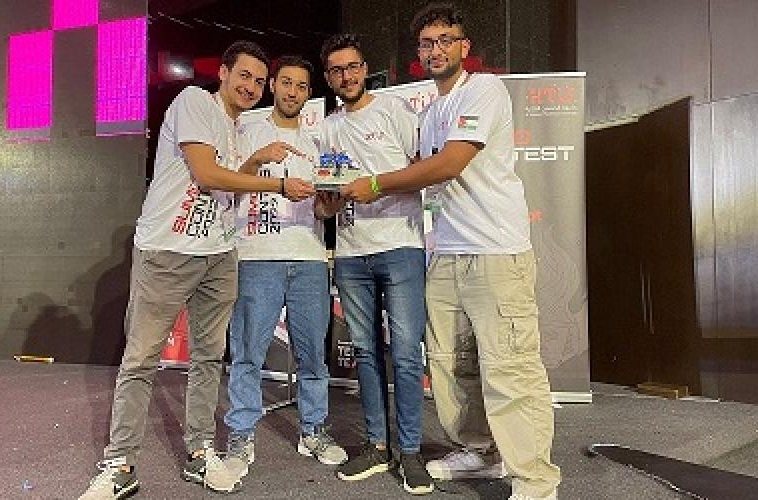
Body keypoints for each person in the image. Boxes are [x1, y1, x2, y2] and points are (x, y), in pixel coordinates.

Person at [340, 4, 562, 500]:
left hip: (495, 250)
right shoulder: (430, 113)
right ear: (418, 53)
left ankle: (535, 482)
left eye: (445, 40)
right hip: (446, 251)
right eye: (427, 43)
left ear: (464, 46)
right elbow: (417, 169)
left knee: (510, 369)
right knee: (450, 365)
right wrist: (339, 185)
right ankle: (480, 452)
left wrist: (372, 183)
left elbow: (449, 164)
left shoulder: (483, 90)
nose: (436, 50)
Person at [78, 41, 315, 500]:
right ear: (223, 73)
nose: (251, 87)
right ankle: (119, 464)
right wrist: (278, 183)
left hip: (219, 254)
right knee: (141, 359)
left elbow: (228, 187)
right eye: (243, 75)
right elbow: (207, 176)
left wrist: (254, 162)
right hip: (168, 250)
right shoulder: (194, 102)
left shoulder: (236, 128)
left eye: (259, 81)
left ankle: (200, 451)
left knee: (209, 359)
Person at [316, 34, 433, 496]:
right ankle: (377, 445)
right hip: (350, 252)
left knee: (405, 354)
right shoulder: (326, 129)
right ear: (328, 78)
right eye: (336, 70)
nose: (346, 76)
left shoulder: (395, 111)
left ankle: (411, 451)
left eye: (353, 67)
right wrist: (327, 203)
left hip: (401, 246)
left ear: (365, 69)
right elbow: (324, 205)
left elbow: (423, 171)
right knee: (365, 352)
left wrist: (376, 185)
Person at [221, 55, 347, 483]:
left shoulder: (317, 142)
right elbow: (227, 184)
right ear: (273, 85)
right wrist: (258, 159)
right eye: (286, 83)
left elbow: (322, 210)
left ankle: (313, 430)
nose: (293, 92)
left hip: (309, 257)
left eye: (301, 86)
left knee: (313, 355)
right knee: (247, 354)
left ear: (309, 93)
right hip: (256, 256)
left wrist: (330, 204)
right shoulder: (247, 130)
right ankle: (240, 435)